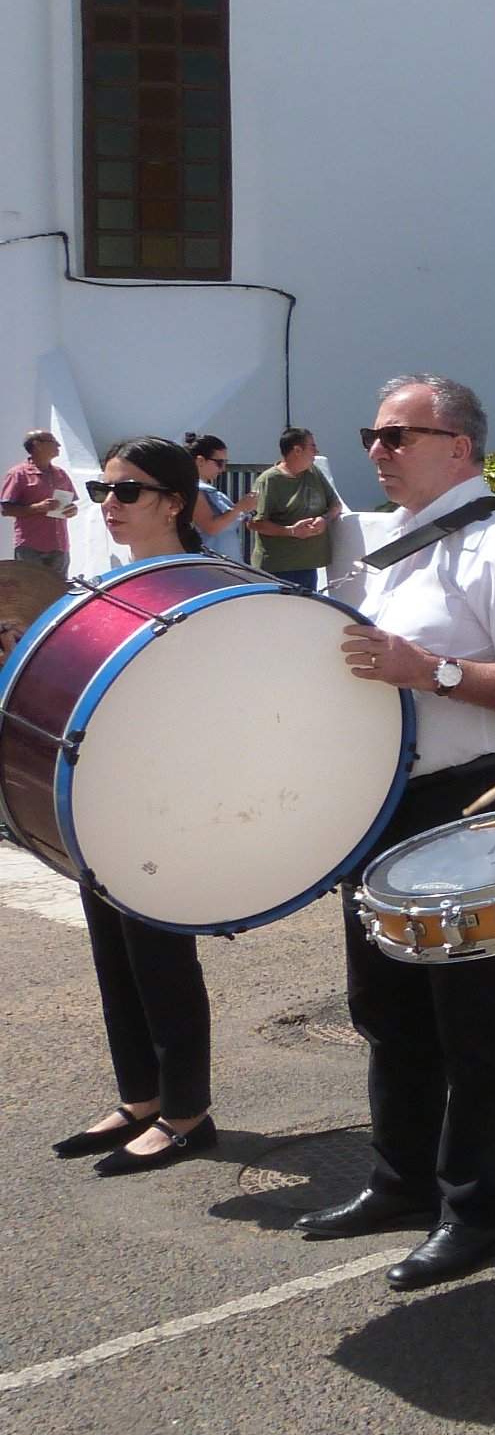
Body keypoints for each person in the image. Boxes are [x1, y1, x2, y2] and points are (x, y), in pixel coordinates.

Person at [289, 376, 495, 1290]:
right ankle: (403, 1180)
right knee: (386, 1004)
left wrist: (435, 672)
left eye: (398, 435)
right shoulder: (396, 546)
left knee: (472, 1019)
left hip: (469, 797)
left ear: (460, 447)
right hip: (386, 801)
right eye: (371, 434)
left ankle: (477, 1208)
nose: (377, 449)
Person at [47, 438, 219, 1173]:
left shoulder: (204, 584)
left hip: (166, 794)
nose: (109, 506)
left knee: (160, 957)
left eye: (128, 492)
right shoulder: (101, 583)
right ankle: (139, 1097)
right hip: (98, 789)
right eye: (102, 492)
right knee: (114, 953)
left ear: (175, 502)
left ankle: (187, 1113)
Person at [247, 426, 342, 588]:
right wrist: (291, 531)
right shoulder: (269, 481)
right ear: (297, 450)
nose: (316, 451)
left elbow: (336, 505)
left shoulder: (314, 473)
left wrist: (325, 519)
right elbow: (254, 523)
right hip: (277, 569)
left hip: (308, 566)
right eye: (312, 446)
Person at [3, 428, 77, 574]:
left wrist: (72, 510)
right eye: (53, 442)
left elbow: (72, 505)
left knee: (59, 593)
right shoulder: (18, 474)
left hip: (59, 546)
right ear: (37, 445)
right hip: (31, 547)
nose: (58, 446)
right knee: (30, 593)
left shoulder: (61, 474)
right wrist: (37, 508)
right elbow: (6, 509)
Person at [185, 433, 250, 559]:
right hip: (210, 565)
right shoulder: (195, 490)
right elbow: (210, 527)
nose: (223, 469)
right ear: (200, 461)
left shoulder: (210, 491)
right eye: (219, 463)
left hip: (224, 563)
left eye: (225, 463)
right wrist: (240, 508)